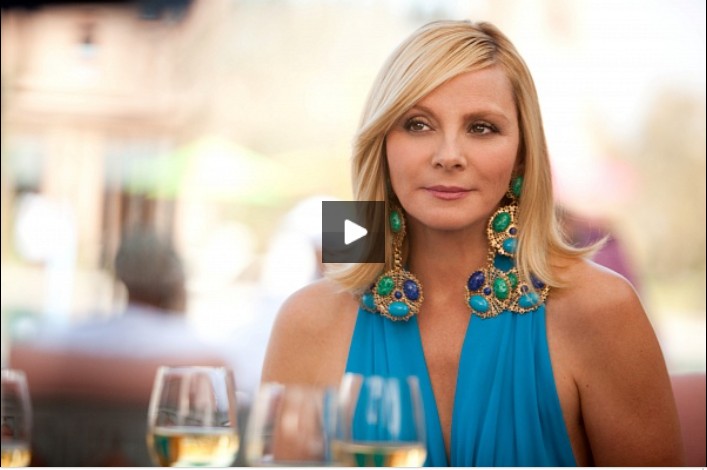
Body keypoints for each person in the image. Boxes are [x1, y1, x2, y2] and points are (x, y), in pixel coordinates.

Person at [261, 20, 684, 466]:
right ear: (381, 144)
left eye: (481, 127)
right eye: (418, 124)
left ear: (522, 154)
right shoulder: (307, 321)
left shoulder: (603, 309)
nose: (448, 155)